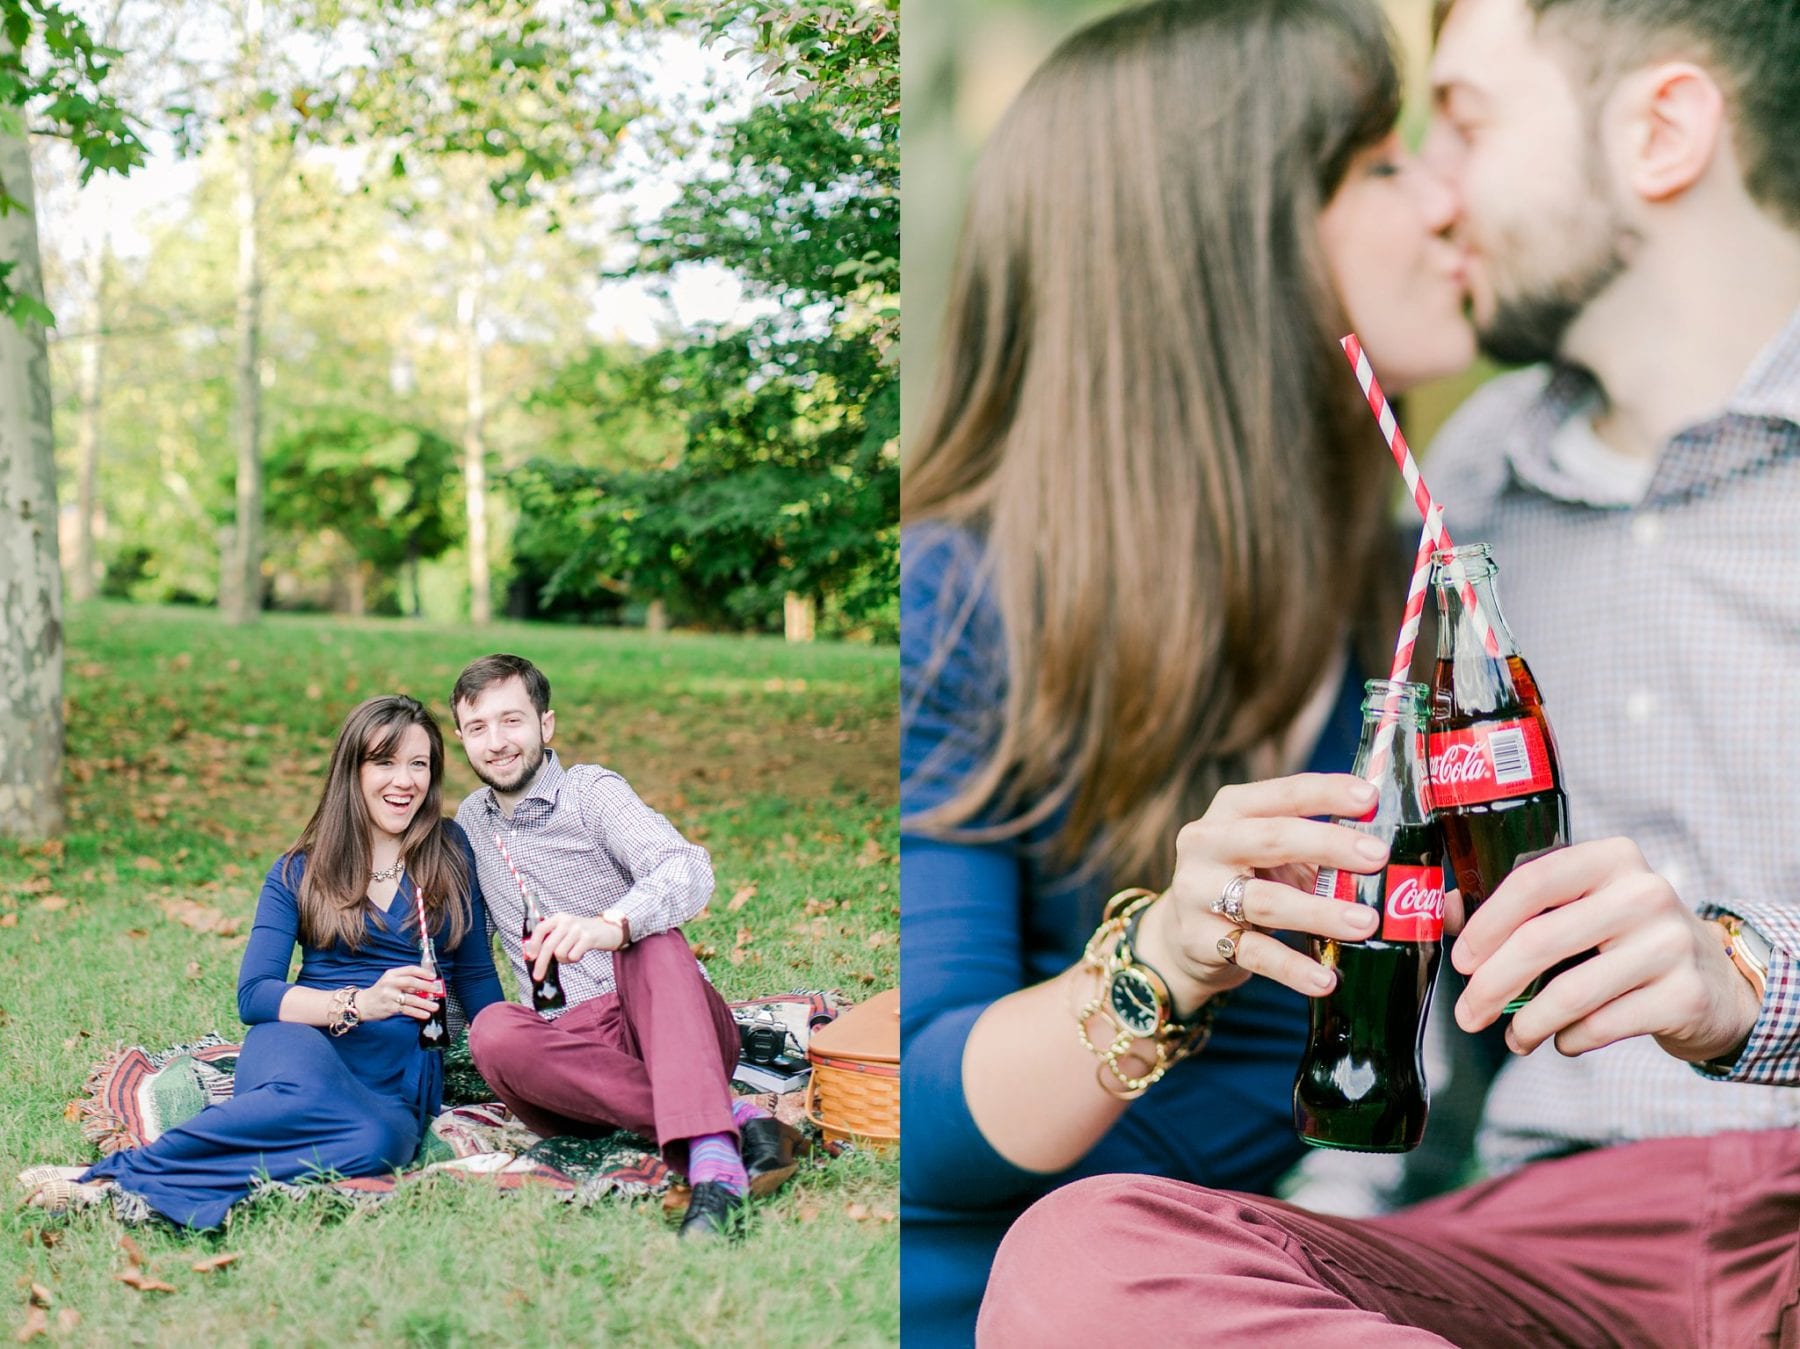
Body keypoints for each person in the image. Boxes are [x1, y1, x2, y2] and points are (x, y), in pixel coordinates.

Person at [977, 0, 1800, 1341]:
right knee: (1096, 1254)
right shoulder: (1451, 513)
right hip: (1548, 1240)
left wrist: (1753, 991)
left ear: (1662, 130)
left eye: (1464, 122)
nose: (1436, 192)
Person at [899, 0, 1480, 1339]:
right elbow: (916, 1112)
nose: (1448, 200)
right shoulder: (954, 599)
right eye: (1382, 164)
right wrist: (1170, 950)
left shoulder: (1406, 594)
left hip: (1243, 1292)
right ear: (1232, 238)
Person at [18, 695, 505, 1230]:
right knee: (303, 1096)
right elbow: (255, 994)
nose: (405, 780)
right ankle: (114, 1176)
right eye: (384, 762)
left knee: (378, 1143)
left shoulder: (450, 849)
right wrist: (359, 1003)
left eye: (419, 764)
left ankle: (125, 1180)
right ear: (353, 770)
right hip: (306, 1037)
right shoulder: (299, 869)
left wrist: (512, 1055)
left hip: (399, 1069)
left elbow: (478, 974)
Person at [448, 653, 805, 1240]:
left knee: (651, 938)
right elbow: (464, 947)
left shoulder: (592, 792)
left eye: (512, 721)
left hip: (666, 1024)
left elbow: (684, 866)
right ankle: (735, 1119)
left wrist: (610, 925)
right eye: (478, 728)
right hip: (571, 1063)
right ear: (462, 738)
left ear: (546, 724)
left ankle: (713, 1166)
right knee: (492, 1030)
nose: (497, 742)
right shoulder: (471, 823)